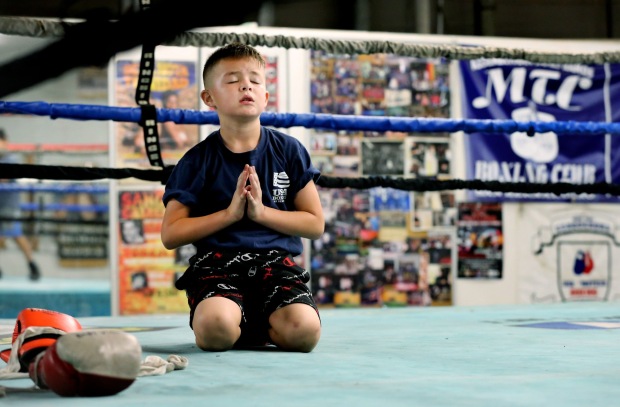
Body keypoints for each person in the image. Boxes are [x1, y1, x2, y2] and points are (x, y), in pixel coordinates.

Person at [161, 43, 325, 353]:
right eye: (233, 79)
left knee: (304, 333)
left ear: (264, 96)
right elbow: (170, 234)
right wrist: (229, 215)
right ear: (209, 97)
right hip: (217, 266)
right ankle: (235, 320)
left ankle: (255, 322)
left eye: (254, 80)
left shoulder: (289, 151)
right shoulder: (197, 160)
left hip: (276, 264)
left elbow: (315, 224)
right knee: (215, 331)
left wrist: (261, 213)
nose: (246, 85)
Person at [0, 128, 41, 280]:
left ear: (4, 141)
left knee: (16, 235)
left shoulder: (10, 158)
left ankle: (32, 265)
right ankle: (32, 264)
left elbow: (3, 178)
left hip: (10, 204)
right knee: (13, 235)